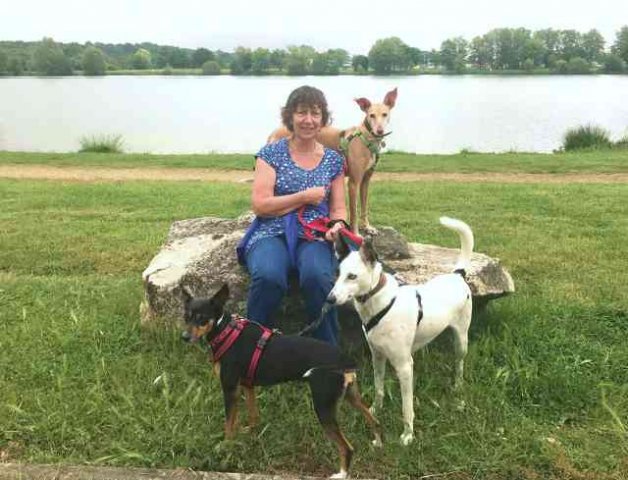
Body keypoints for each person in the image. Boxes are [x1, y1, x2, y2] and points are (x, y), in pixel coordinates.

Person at [237, 85, 348, 345]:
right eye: (301, 113)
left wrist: (339, 226)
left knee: (317, 277)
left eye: (315, 113)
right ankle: (253, 348)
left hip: (315, 235)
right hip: (270, 232)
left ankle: (325, 353)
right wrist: (303, 197)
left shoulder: (334, 160)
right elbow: (260, 205)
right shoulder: (270, 154)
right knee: (268, 276)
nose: (308, 120)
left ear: (323, 119)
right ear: (290, 116)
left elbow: (338, 209)